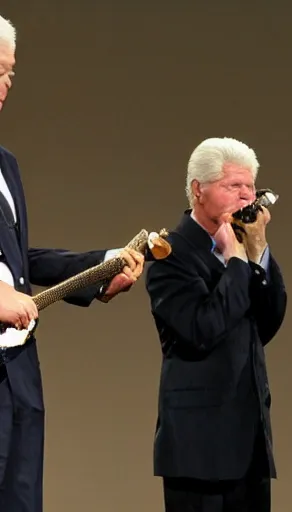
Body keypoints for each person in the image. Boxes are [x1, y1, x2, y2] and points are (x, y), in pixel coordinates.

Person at [0, 13, 145, 512]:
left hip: (16, 371)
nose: (6, 85)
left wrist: (102, 269)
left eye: (10, 73)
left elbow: (21, 262)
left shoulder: (6, 165)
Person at [145, 137, 287, 512]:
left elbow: (268, 323)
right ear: (198, 191)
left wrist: (256, 254)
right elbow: (201, 329)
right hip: (199, 451)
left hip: (250, 444)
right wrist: (236, 261)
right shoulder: (169, 255)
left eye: (250, 187)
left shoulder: (243, 248)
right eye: (232, 187)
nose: (246, 197)